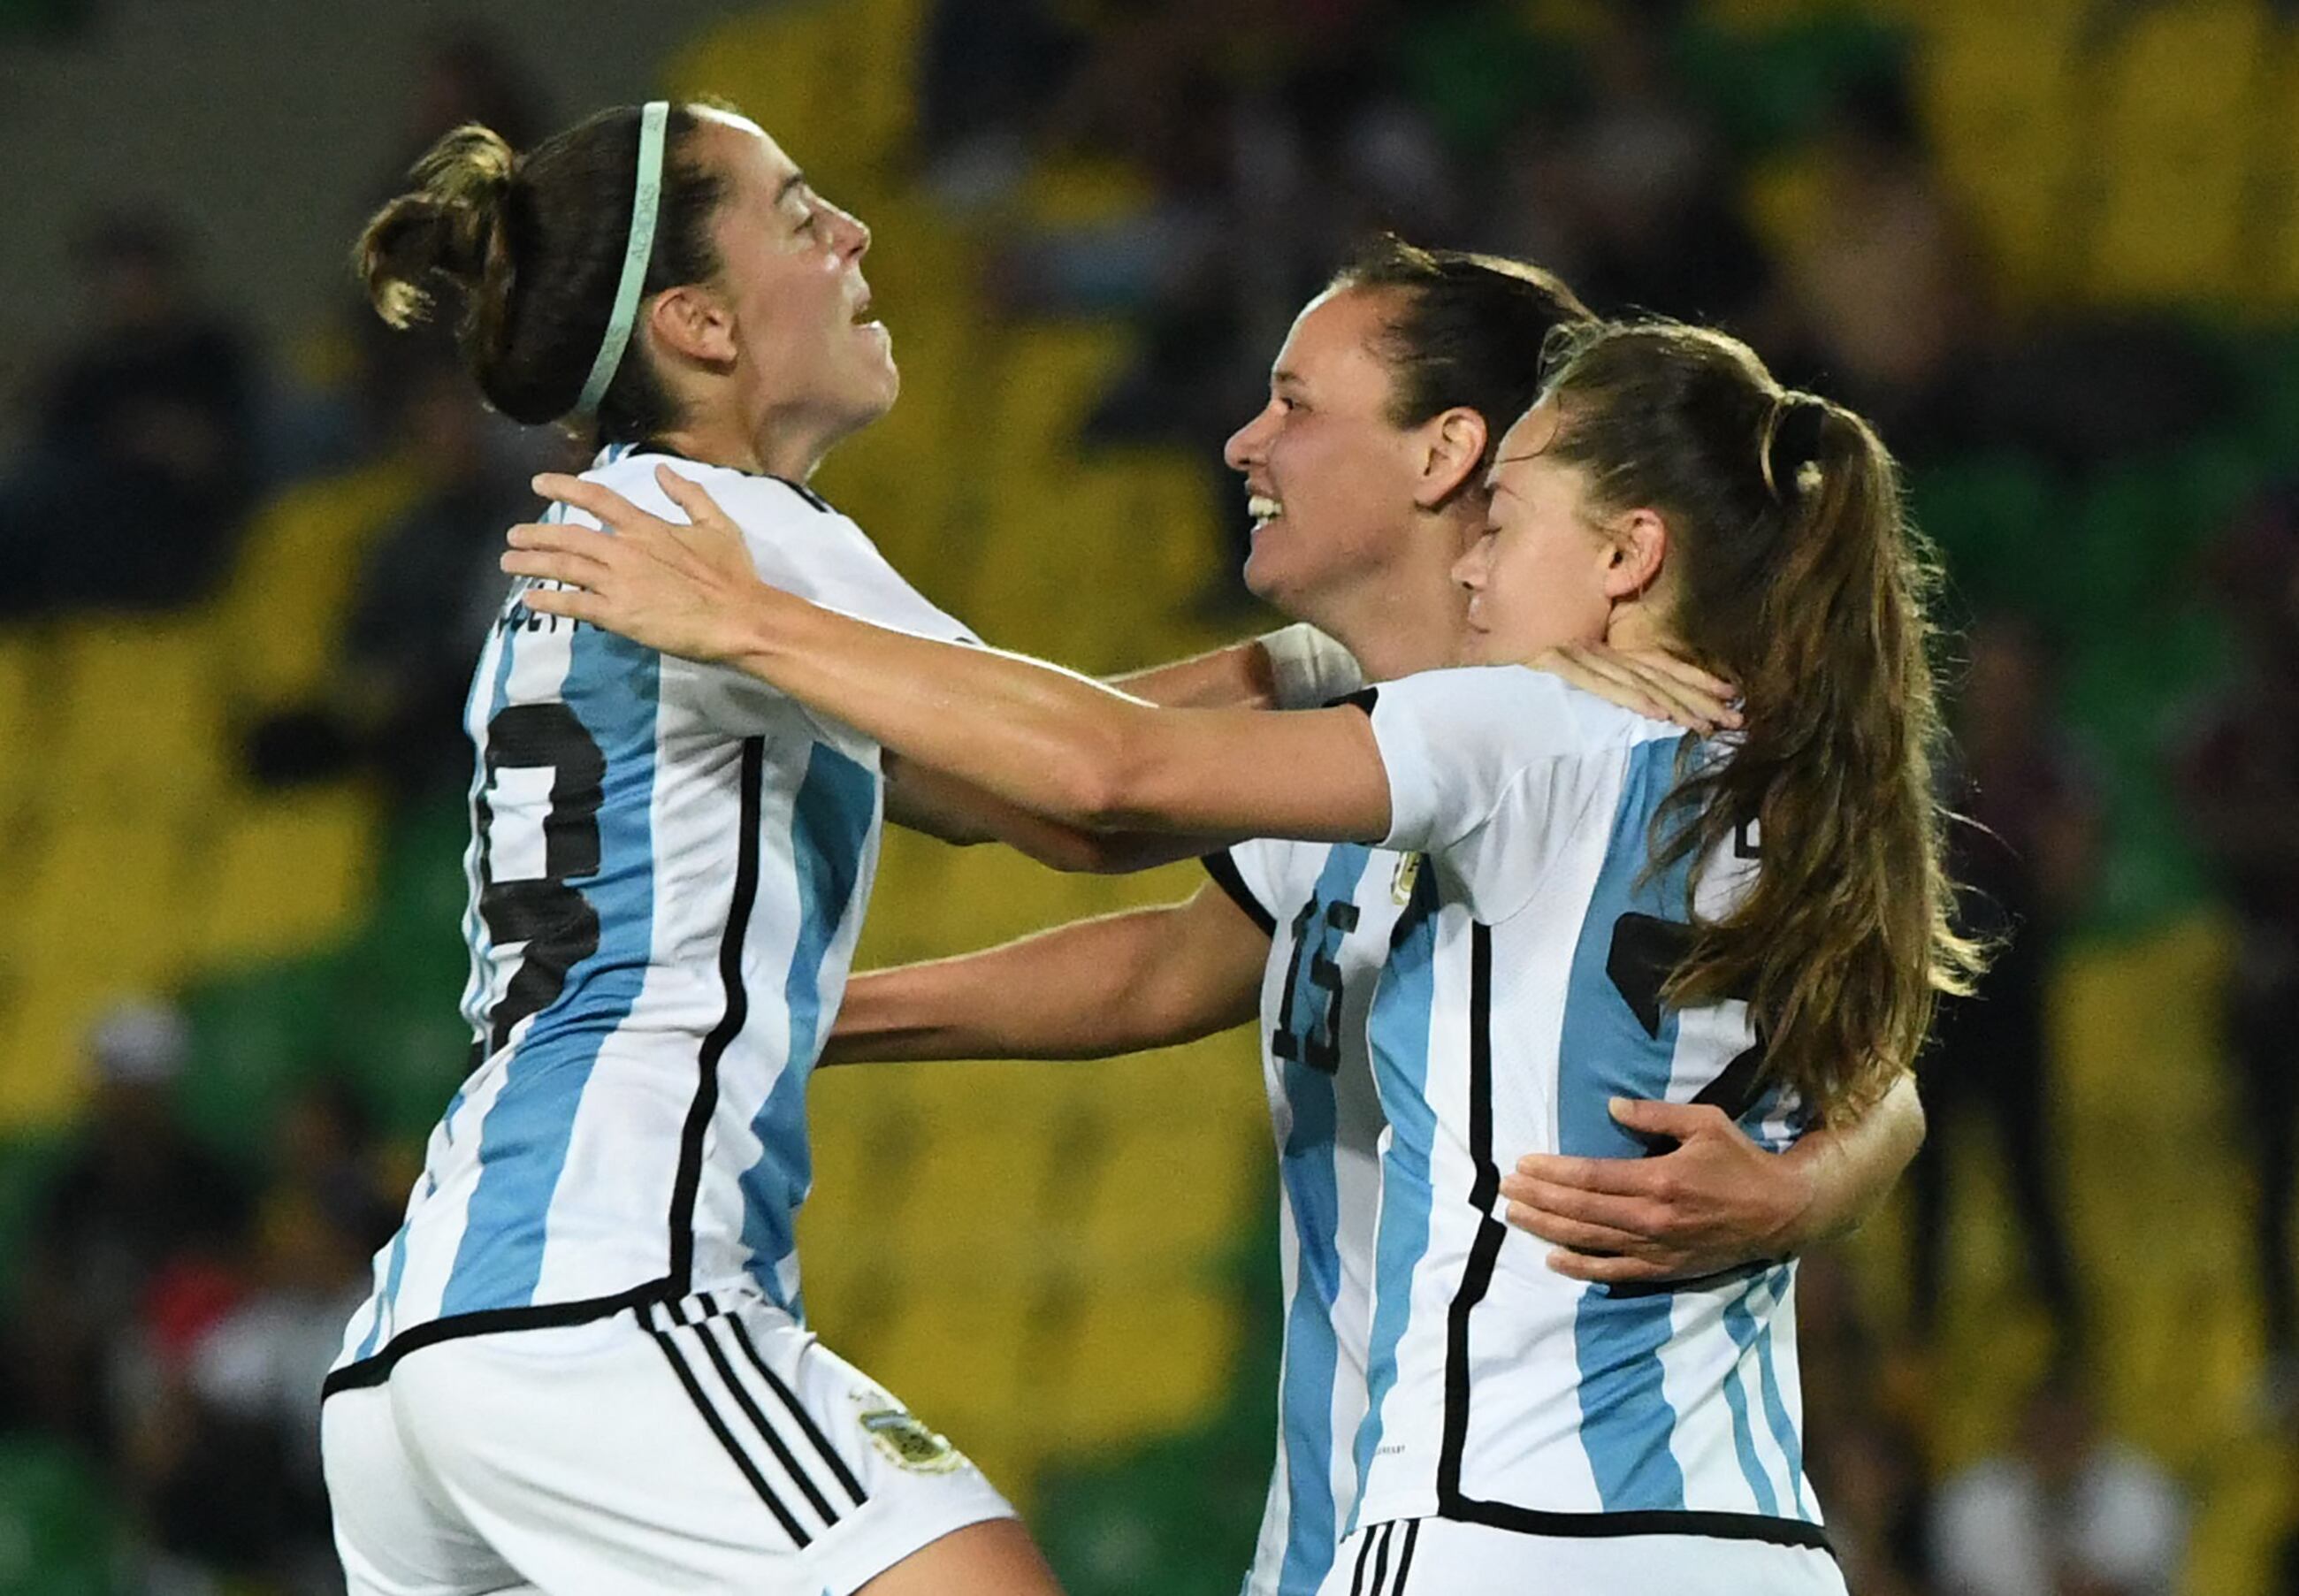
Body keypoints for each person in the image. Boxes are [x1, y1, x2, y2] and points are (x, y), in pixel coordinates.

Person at [526, 242, 1929, 1594]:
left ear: (1471, 467)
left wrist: (747, 621)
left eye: (1296, 404)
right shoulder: (1764, 767)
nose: (1244, 443)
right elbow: (1156, 957)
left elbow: (1104, 777)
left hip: (1480, 1518)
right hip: (1728, 1529)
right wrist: (778, 1016)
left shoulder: (1497, 735)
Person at [323, 98, 1140, 1596]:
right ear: (697, 324)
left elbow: (1001, 770)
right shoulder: (733, 529)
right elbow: (1085, 793)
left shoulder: (620, 542)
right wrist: (1387, 722)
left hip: (427, 1332)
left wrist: (1294, 685)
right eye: (801, 212)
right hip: (601, 1288)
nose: (857, 233)